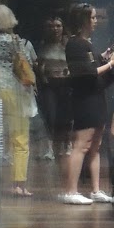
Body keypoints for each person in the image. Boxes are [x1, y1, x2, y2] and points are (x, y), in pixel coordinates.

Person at [60, 3, 114, 204]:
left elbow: (92, 66)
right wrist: (110, 64)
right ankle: (71, 191)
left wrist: (103, 58)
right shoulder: (76, 44)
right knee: (81, 144)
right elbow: (86, 72)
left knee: (95, 145)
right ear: (83, 20)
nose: (95, 21)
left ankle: (95, 189)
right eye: (92, 18)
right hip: (85, 100)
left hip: (96, 97)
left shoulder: (85, 43)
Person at [0, 4, 38, 197]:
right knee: (20, 139)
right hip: (14, 91)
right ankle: (19, 184)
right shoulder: (15, 41)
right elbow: (26, 64)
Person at [36, 16, 72, 165]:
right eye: (51, 26)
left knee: (66, 115)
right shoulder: (43, 45)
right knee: (50, 115)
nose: (55, 29)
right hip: (48, 84)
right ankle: (49, 148)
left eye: (58, 26)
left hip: (65, 83)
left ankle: (67, 144)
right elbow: (38, 64)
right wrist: (42, 74)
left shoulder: (67, 44)